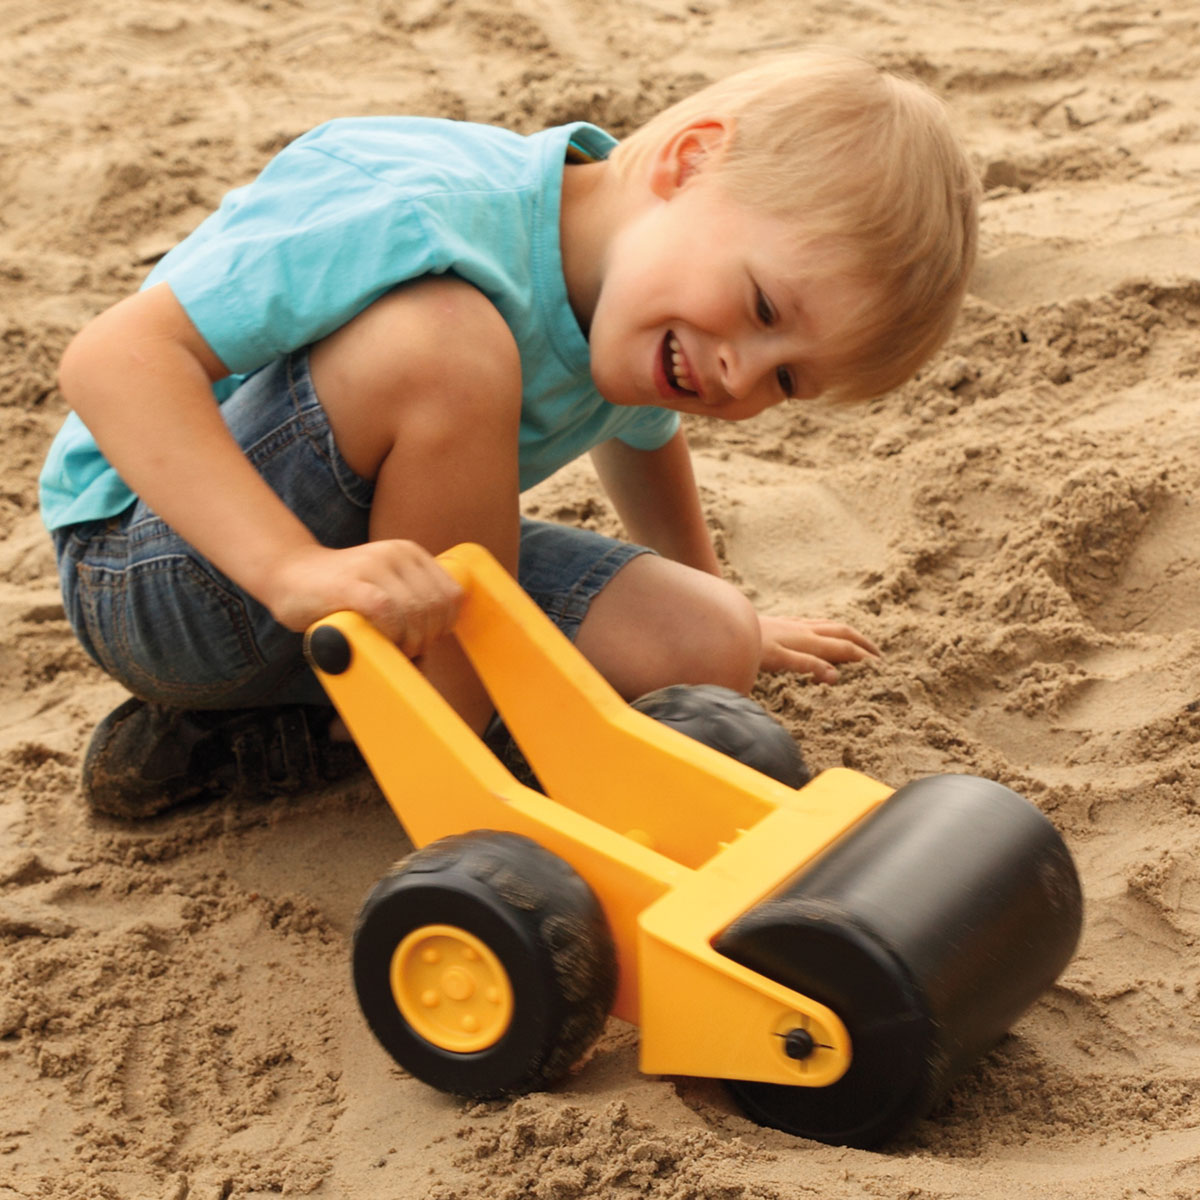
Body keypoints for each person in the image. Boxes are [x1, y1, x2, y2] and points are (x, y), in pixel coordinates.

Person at [40, 48, 979, 819]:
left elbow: (642, 436)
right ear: (688, 162)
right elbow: (113, 358)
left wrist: (727, 603)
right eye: (763, 304)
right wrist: (290, 568)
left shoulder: (650, 303)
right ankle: (451, 777)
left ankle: (273, 738)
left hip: (378, 587)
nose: (739, 373)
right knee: (446, 345)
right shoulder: (423, 208)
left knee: (706, 639)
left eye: (786, 378)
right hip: (166, 568)